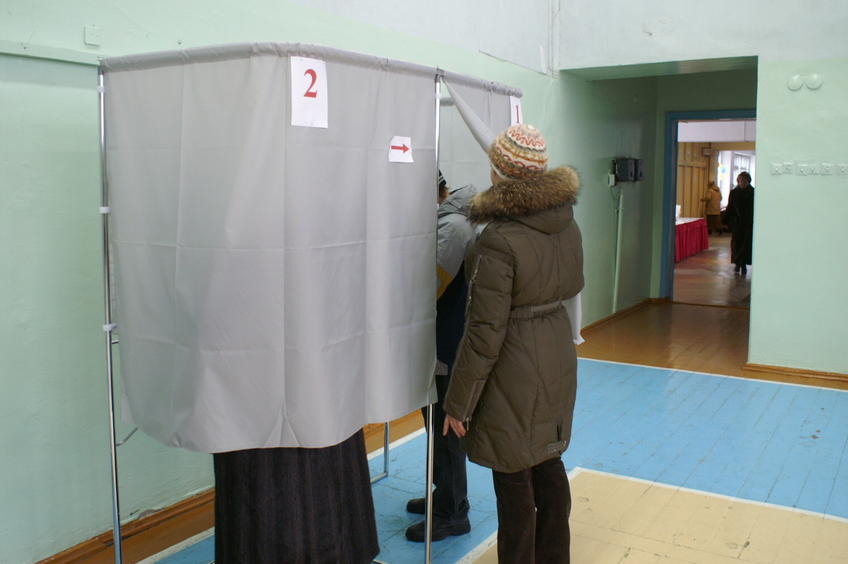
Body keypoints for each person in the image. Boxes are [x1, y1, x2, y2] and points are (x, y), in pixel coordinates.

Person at [443, 124, 583, 563]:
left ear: (500, 172)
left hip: (514, 365)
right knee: (548, 459)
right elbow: (574, 283)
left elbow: (485, 332)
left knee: (513, 474)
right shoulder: (566, 223)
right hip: (557, 350)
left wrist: (458, 403)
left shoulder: (498, 239)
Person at [405, 171, 476, 542]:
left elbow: (428, 287)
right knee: (438, 428)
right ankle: (445, 496)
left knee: (447, 432)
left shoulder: (453, 228)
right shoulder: (450, 221)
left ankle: (452, 512)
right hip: (441, 341)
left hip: (447, 344)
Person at [725, 171, 755, 275]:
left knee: (746, 244)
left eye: (744, 180)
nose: (742, 182)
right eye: (740, 180)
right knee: (736, 244)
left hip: (748, 223)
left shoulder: (753, 192)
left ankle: (744, 264)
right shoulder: (734, 192)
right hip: (737, 223)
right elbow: (730, 207)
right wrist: (727, 220)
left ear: (748, 181)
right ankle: (737, 263)